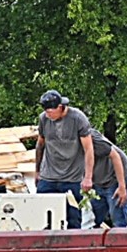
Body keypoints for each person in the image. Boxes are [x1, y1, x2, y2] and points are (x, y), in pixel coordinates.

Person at [34, 89, 94, 229]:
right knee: (41, 215)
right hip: (49, 176)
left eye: (51, 111)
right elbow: (40, 145)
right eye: (46, 111)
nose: (48, 114)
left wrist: (88, 177)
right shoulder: (44, 119)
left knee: (73, 217)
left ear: (60, 107)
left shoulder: (78, 119)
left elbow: (89, 149)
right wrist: (37, 171)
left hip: (71, 178)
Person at [89, 129, 127, 228]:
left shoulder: (92, 138)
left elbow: (115, 156)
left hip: (116, 177)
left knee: (117, 215)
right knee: (92, 217)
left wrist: (122, 187)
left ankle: (120, 240)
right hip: (97, 181)